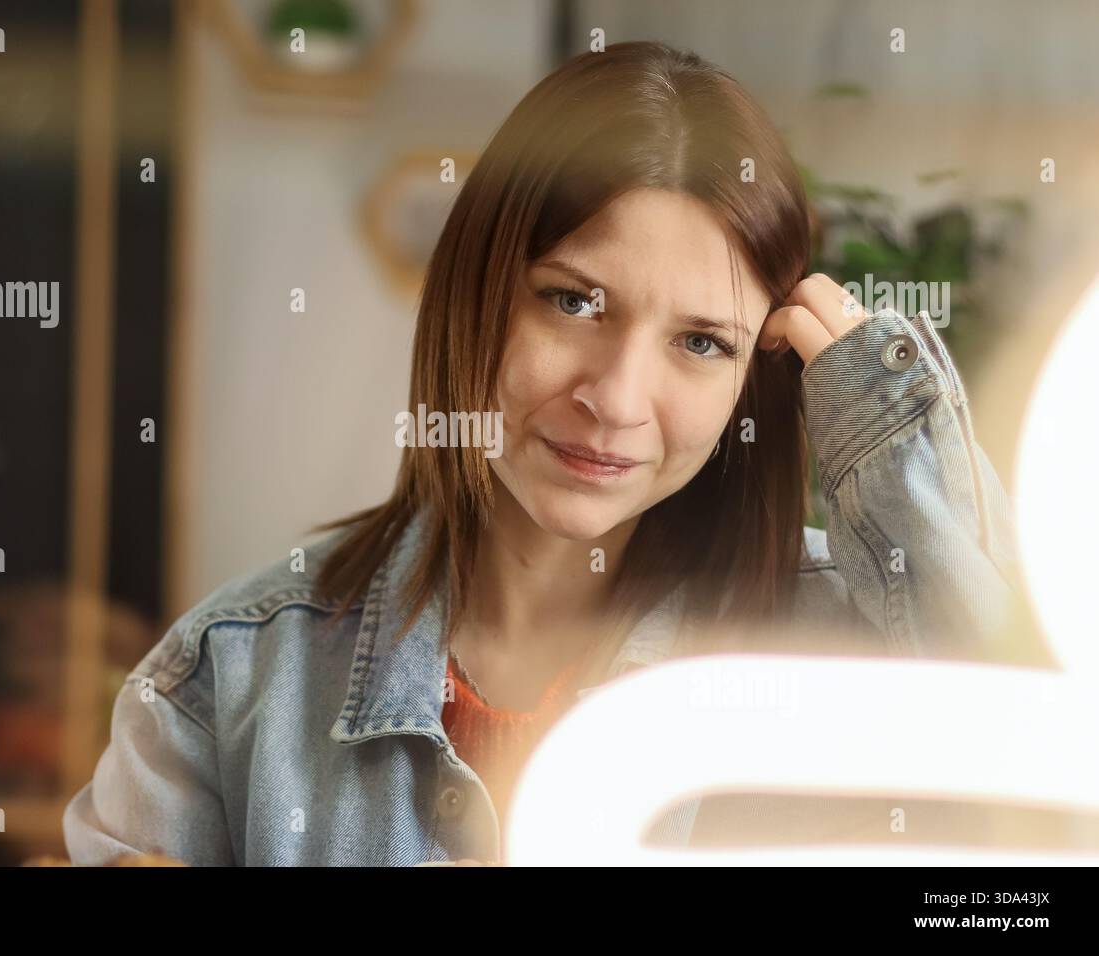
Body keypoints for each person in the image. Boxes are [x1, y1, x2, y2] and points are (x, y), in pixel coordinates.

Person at [63, 41, 1018, 866]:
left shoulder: (852, 661)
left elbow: (1025, 823)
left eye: (701, 343)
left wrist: (881, 410)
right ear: (478, 289)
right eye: (573, 301)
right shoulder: (223, 685)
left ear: (753, 377)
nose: (613, 399)